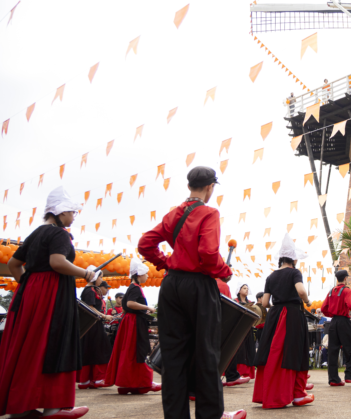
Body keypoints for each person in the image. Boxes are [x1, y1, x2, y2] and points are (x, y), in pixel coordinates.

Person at [138, 166, 245, 419]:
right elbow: (208, 254)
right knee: (207, 352)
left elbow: (145, 244)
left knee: (173, 356)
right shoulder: (209, 213)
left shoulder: (173, 214)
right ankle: (210, 415)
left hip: (172, 285)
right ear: (210, 187)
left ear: (189, 186)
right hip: (198, 285)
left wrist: (167, 263)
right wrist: (224, 271)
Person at [0, 187, 90, 418]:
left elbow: (13, 264)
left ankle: (21, 406)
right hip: (53, 295)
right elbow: (57, 262)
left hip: (30, 296)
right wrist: (86, 273)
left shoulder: (36, 233)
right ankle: (53, 408)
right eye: (72, 212)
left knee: (28, 347)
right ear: (61, 213)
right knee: (54, 344)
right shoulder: (60, 234)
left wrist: (29, 286)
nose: (73, 217)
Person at [252, 234, 314, 408]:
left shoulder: (271, 277)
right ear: (293, 258)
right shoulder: (295, 272)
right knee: (294, 351)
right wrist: (307, 301)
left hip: (275, 315)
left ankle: (270, 392)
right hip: (292, 314)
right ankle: (297, 394)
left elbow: (264, 303)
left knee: (273, 352)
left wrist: (277, 306)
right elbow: (301, 291)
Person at [105, 258, 160, 395]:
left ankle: (128, 383)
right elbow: (129, 304)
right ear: (139, 274)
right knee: (137, 351)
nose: (147, 276)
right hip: (134, 323)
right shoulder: (135, 288)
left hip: (131, 321)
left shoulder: (132, 287)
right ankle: (142, 381)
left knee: (129, 352)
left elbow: (126, 307)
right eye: (146, 273)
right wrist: (147, 307)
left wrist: (142, 310)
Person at [322, 269, 351, 386]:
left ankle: (333, 379)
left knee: (333, 350)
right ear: (345, 278)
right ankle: (350, 375)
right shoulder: (347, 291)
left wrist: (331, 314)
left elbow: (324, 308)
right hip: (344, 321)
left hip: (333, 322)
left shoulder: (330, 291)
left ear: (337, 279)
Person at [77, 276, 114, 389]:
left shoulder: (91, 290)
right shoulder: (89, 291)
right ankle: (97, 378)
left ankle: (89, 379)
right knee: (99, 349)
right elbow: (89, 307)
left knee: (92, 350)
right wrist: (104, 315)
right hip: (92, 324)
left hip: (93, 324)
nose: (101, 279)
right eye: (100, 277)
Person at [224, 284, 255, 384]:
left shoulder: (250, 302)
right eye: (244, 288)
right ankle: (238, 372)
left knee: (248, 349)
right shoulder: (235, 301)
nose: (246, 290)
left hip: (248, 328)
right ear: (239, 290)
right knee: (239, 350)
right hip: (239, 328)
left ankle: (247, 372)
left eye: (247, 288)